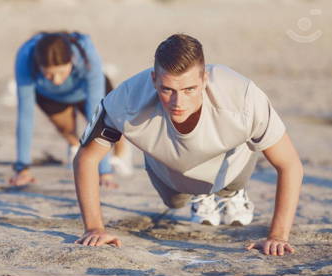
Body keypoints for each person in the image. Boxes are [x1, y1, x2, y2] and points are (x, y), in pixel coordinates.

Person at [73, 34, 303, 256]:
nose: (178, 102)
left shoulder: (242, 98)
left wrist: (278, 235)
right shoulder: (126, 99)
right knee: (173, 202)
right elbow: (86, 158)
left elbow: (290, 164)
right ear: (153, 79)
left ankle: (230, 193)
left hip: (229, 161)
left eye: (189, 89)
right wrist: (94, 228)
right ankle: (200, 196)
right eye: (167, 90)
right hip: (166, 164)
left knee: (229, 182)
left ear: (205, 79)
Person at [9, 31, 131, 188]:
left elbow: (96, 115)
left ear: (72, 60)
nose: (57, 80)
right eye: (49, 74)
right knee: (66, 129)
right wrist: (22, 168)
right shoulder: (25, 58)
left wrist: (104, 172)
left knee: (113, 126)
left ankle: (119, 157)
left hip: (89, 90)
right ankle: (76, 147)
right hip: (50, 95)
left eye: (61, 72)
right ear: (38, 66)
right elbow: (25, 115)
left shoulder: (87, 54)